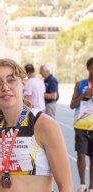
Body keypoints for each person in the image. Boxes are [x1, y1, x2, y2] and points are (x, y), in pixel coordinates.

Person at [0, 59, 73, 192]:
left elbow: (66, 187)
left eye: (11, 80)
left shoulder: (44, 125)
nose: (5, 87)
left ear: (23, 83)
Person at [70, 57, 93, 192]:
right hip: (81, 125)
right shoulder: (80, 84)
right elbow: (72, 105)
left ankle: (91, 186)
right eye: (91, 67)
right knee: (81, 155)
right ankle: (82, 184)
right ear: (87, 68)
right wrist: (84, 94)